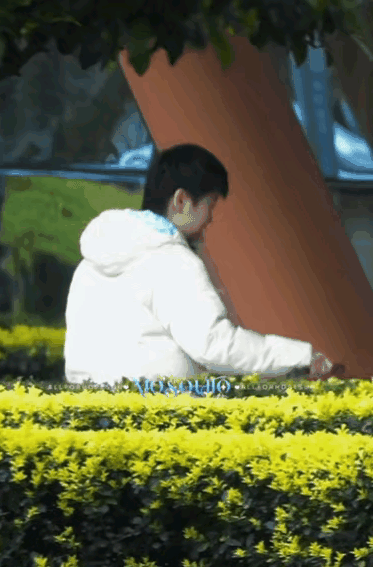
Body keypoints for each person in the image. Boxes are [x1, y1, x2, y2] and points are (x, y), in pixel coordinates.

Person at [64, 144, 343, 388]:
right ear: (181, 201)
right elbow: (214, 345)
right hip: (157, 414)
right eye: (210, 205)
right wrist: (300, 356)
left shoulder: (91, 262)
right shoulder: (172, 262)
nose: (210, 219)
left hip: (89, 409)